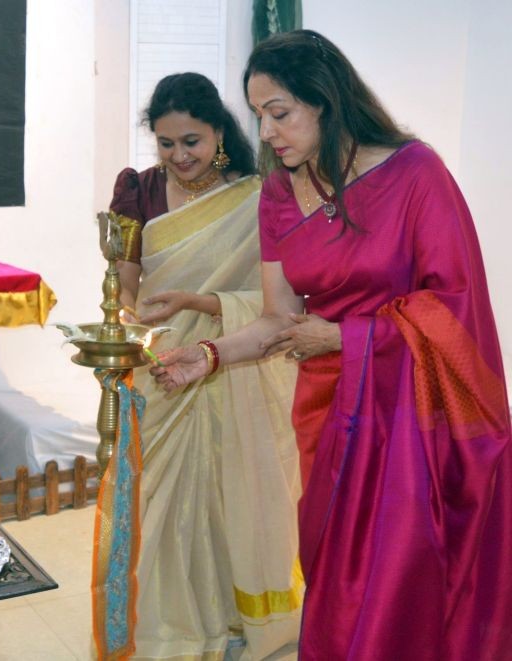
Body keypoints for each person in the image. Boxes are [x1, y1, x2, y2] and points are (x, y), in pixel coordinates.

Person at [152, 30, 512, 659]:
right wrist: (208, 356)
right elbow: (277, 322)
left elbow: (453, 305)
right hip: (331, 410)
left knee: (401, 579)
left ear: (326, 100)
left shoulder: (415, 173)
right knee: (338, 579)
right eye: (259, 115)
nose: (266, 132)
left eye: (280, 113)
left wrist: (350, 335)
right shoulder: (276, 194)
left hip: (413, 418)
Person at [95, 72, 302, 661]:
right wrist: (131, 324)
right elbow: (126, 284)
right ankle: (169, 627)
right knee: (158, 499)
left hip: (236, 355)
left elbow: (273, 301)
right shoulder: (137, 192)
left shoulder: (259, 193)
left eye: (192, 141)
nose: (180, 156)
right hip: (159, 360)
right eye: (166, 143)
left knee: (233, 492)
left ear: (219, 133)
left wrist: (198, 303)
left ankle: (238, 619)